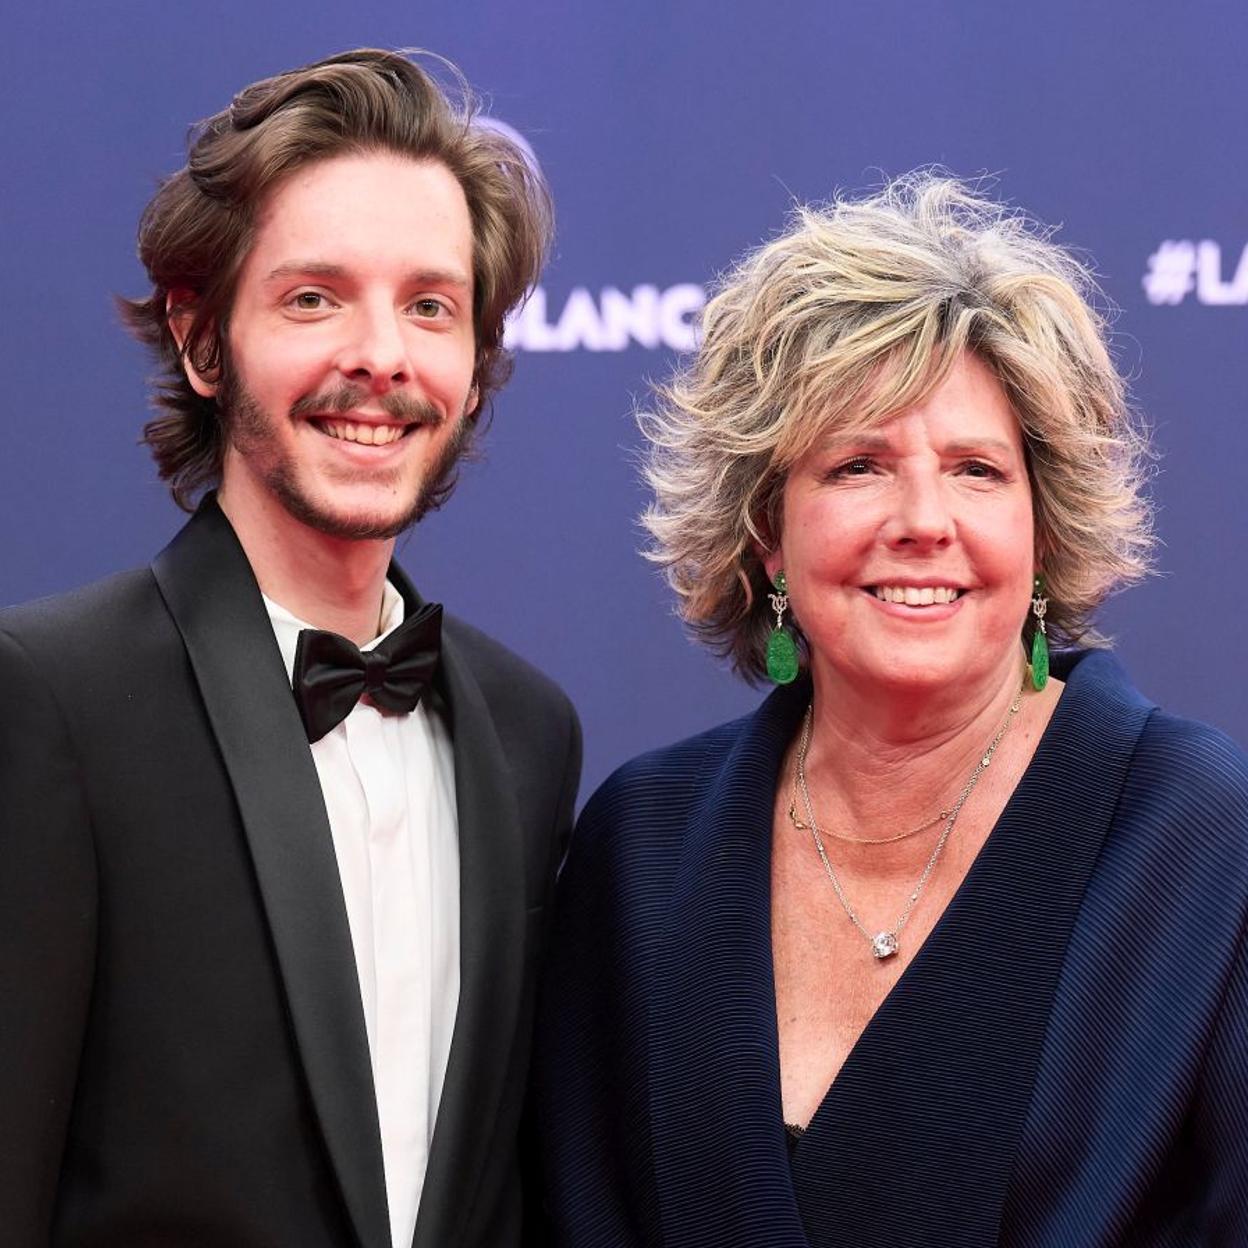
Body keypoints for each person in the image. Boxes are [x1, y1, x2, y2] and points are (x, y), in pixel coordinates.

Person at [531, 173, 1248, 1246]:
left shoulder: (1200, 838)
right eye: (859, 465)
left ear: (1044, 529)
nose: (923, 520)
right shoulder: (643, 846)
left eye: (976, 470)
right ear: (767, 531)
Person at [0, 48, 580, 1248]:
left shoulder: (529, 734)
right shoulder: (52, 700)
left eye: (430, 305)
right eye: (315, 298)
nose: (382, 355)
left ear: (474, 370)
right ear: (205, 343)